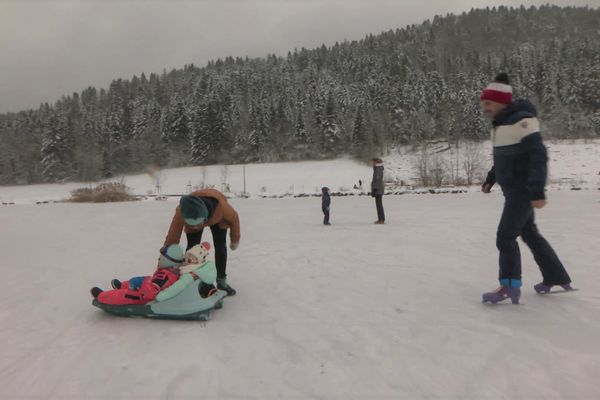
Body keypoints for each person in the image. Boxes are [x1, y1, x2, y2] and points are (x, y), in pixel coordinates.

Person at [480, 73, 573, 304]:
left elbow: (538, 155)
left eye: (488, 103)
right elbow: (502, 157)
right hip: (511, 189)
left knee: (505, 236)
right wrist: (491, 178)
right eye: (483, 103)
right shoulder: (499, 126)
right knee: (530, 234)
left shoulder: (523, 121)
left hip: (522, 191)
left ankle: (509, 285)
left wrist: (537, 190)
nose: (484, 108)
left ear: (502, 101)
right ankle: (556, 276)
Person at [164, 189, 240, 296]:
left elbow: (234, 219)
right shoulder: (182, 210)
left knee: (220, 245)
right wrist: (167, 253)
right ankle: (191, 280)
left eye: (198, 224)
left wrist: (234, 239)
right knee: (192, 250)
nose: (195, 227)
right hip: (196, 213)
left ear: (204, 218)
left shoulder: (222, 208)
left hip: (218, 218)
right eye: (191, 224)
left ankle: (221, 281)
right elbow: (174, 233)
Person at [91, 244, 184, 304]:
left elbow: (152, 293)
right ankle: (122, 285)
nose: (158, 260)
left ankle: (102, 296)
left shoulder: (165, 276)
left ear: (170, 262)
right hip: (149, 288)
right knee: (145, 279)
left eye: (161, 258)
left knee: (124, 295)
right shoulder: (172, 273)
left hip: (143, 297)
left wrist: (142, 283)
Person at [370, 158, 385, 224]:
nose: (372, 164)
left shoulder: (378, 170)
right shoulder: (377, 169)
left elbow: (378, 180)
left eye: (373, 162)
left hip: (378, 190)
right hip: (378, 189)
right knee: (378, 204)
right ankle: (381, 219)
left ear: (376, 162)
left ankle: (381, 219)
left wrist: (375, 190)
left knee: (379, 205)